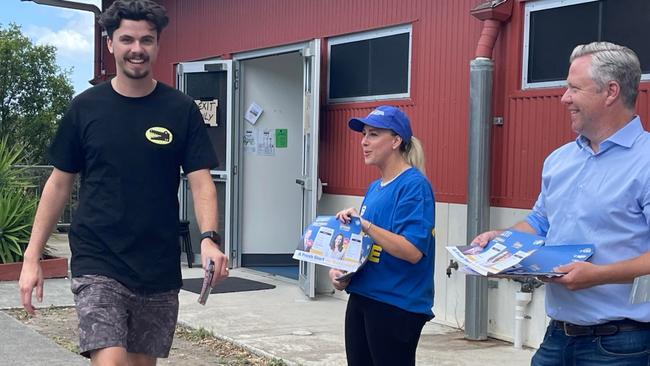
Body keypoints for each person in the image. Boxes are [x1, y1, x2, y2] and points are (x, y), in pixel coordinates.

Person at [18, 1, 229, 365]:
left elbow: (200, 182)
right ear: (111, 43)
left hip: (157, 264)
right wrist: (31, 257)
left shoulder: (180, 110)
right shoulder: (85, 109)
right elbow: (58, 184)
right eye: (127, 39)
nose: (137, 49)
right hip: (97, 259)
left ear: (158, 45)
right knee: (111, 360)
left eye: (147, 40)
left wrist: (209, 239)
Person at [473, 42, 650, 365]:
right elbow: (540, 222)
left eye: (573, 88)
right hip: (556, 337)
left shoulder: (646, 161)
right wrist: (503, 243)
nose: (564, 98)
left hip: (624, 344)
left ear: (611, 91)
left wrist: (599, 274)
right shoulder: (560, 160)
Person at [328, 105, 435, 366]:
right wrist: (343, 272)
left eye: (374, 134)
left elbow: (412, 251)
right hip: (363, 295)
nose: (364, 142)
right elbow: (370, 248)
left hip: (395, 304)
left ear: (396, 141)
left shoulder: (414, 186)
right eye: (364, 134)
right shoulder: (375, 188)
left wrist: (366, 225)